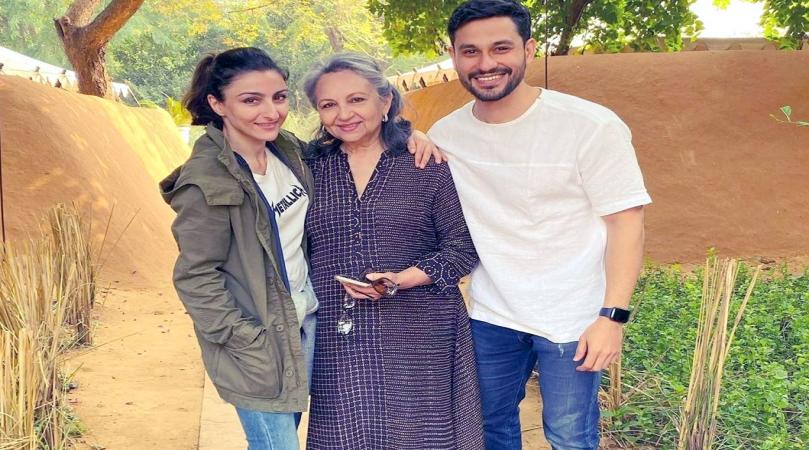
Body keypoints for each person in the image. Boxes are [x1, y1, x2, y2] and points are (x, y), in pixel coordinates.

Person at [159, 47, 440, 450]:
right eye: (251, 100)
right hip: (258, 341)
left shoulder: (285, 151)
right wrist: (244, 338)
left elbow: (358, 137)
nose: (270, 111)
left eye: (279, 97)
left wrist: (407, 132)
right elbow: (195, 275)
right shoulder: (207, 180)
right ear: (216, 104)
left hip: (303, 325)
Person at [427, 1, 652, 449]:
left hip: (574, 317)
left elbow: (627, 223)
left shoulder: (589, 126)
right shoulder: (444, 135)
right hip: (491, 312)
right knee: (489, 429)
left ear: (529, 49)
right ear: (454, 56)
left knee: (569, 436)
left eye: (501, 48)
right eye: (470, 51)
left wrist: (612, 317)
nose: (485, 63)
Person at [301, 53, 484, 450]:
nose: (343, 114)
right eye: (328, 105)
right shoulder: (308, 167)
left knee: (419, 436)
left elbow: (462, 246)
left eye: (357, 100)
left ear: (385, 103)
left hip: (421, 335)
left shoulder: (425, 163)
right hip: (339, 334)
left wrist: (401, 280)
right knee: (344, 435)